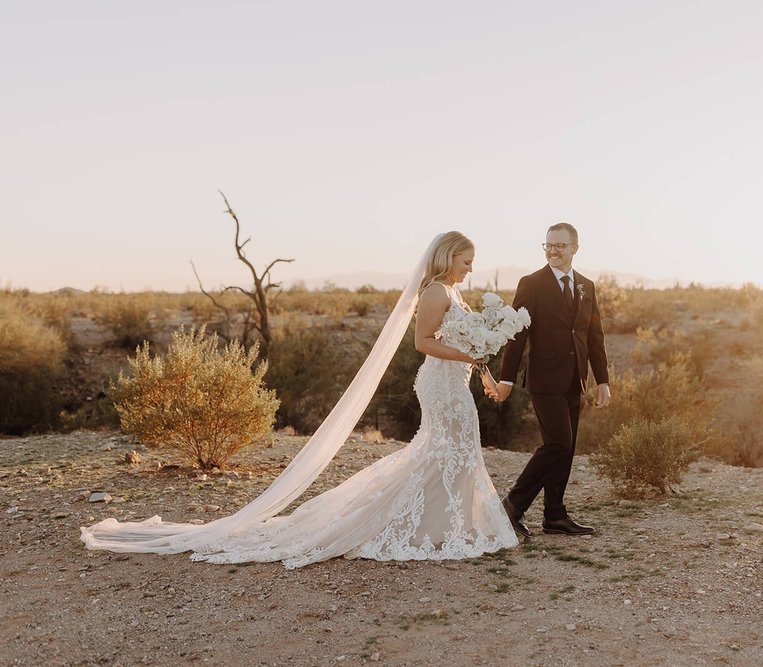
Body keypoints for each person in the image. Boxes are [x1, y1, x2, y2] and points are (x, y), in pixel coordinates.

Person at [81, 232, 518, 567]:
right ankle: (422, 526)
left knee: (452, 452)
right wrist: (470, 355)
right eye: (466, 261)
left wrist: (484, 374)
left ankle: (445, 525)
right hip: (439, 385)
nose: (470, 269)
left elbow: (464, 343)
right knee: (447, 450)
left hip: (456, 382)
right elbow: (424, 342)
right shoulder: (436, 292)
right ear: (447, 257)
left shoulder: (455, 293)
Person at [495, 223, 611, 537]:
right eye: (548, 245)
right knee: (558, 443)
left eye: (560, 245)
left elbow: (594, 336)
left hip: (576, 380)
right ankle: (512, 506)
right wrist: (506, 379)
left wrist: (603, 380)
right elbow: (517, 335)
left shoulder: (586, 285)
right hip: (544, 378)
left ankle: (555, 515)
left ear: (575, 248)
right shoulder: (531, 283)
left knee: (567, 446)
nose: (553, 250)